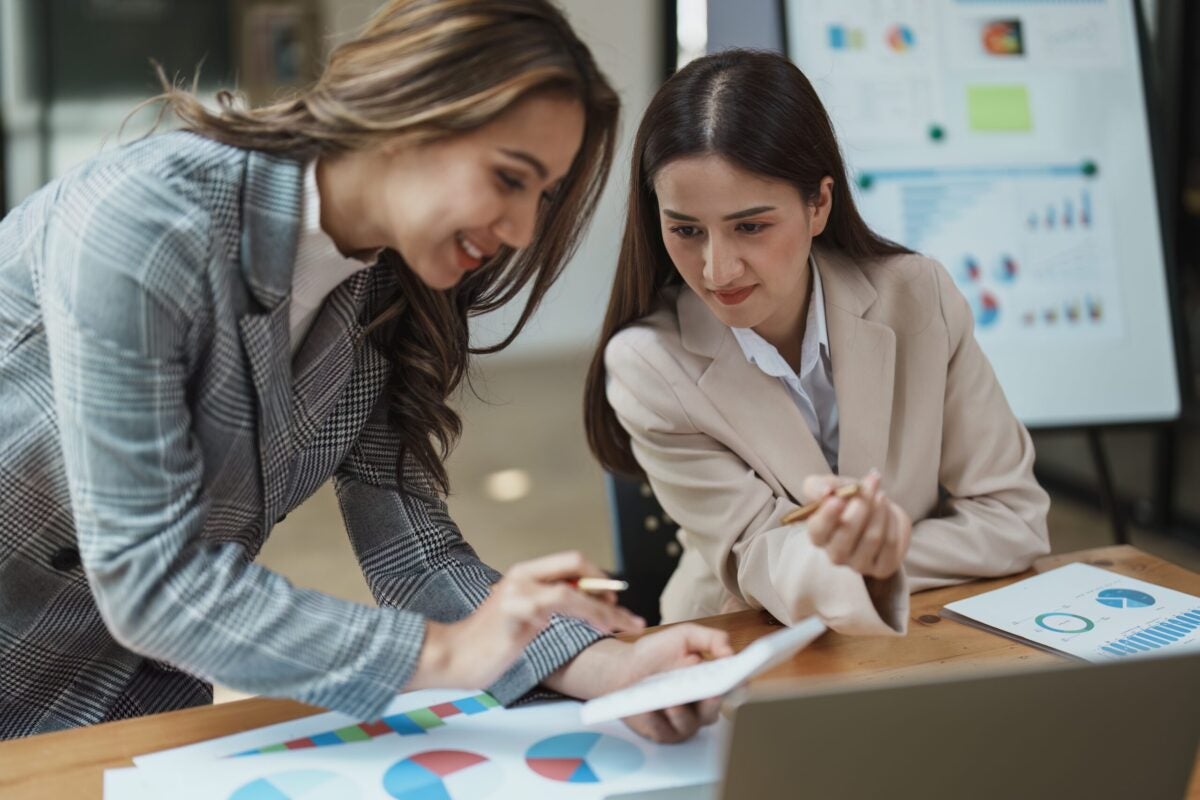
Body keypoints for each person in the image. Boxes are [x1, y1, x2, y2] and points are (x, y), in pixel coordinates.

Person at [0, 0, 731, 742]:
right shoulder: (148, 220)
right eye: (509, 179)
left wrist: (613, 667)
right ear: (410, 114)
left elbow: (413, 554)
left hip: (117, 708)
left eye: (542, 197)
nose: (521, 232)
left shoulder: (386, 290)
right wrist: (447, 654)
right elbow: (150, 580)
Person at [584, 49, 1050, 633]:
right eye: (685, 230)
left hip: (921, 632)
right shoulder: (647, 363)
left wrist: (885, 560)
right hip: (737, 644)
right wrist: (882, 563)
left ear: (819, 204)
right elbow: (757, 554)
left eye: (750, 226)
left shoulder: (918, 296)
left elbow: (1014, 519)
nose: (717, 270)